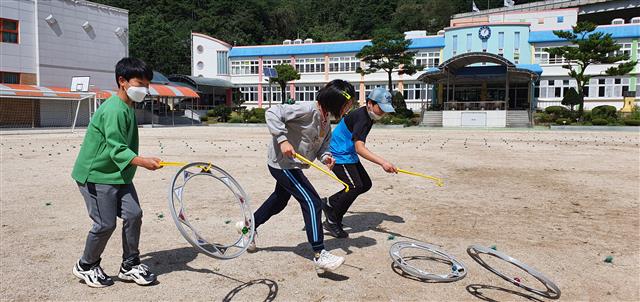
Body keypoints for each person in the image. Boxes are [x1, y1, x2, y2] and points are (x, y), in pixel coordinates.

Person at [238, 79, 354, 273]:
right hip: (282, 164)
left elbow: (323, 145)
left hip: (294, 165)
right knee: (313, 201)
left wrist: (326, 157)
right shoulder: (307, 109)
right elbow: (272, 113)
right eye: (347, 104)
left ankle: (248, 227)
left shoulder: (326, 120)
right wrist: (282, 140)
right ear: (335, 101)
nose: (348, 109)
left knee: (279, 201)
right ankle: (320, 254)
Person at [71, 57, 161, 287]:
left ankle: (129, 264)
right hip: (97, 175)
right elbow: (117, 147)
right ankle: (86, 265)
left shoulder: (129, 106)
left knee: (133, 214)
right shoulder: (113, 109)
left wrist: (139, 161)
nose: (144, 89)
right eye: (139, 83)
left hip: (119, 175)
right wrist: (142, 161)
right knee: (105, 224)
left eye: (147, 84)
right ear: (122, 81)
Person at [322, 87, 398, 238]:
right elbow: (360, 148)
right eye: (380, 109)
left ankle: (330, 203)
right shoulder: (363, 118)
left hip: (347, 153)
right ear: (370, 103)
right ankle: (332, 220)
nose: (382, 113)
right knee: (354, 186)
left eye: (385, 110)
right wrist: (383, 163)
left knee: (365, 184)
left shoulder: (367, 115)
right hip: (338, 155)